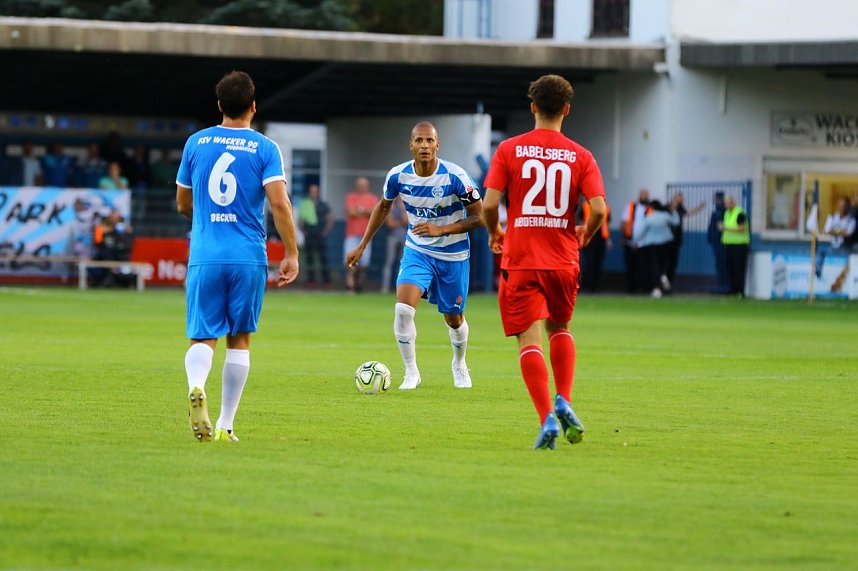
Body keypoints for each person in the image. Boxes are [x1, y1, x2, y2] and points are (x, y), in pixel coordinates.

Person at [482, 74, 606, 450]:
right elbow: (599, 208)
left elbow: (489, 204)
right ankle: (564, 398)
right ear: (566, 110)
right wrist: (586, 231)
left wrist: (494, 231)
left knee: (527, 338)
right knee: (560, 327)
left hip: (521, 258)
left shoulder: (509, 149)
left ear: (533, 107)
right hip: (563, 258)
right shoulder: (581, 155)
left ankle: (545, 420)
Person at [176, 70, 299, 443]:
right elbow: (279, 202)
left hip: (206, 254)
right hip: (248, 255)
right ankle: (227, 424)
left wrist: (211, 222)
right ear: (253, 106)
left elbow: (183, 203)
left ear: (219, 106)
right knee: (240, 339)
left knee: (203, 337)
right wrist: (290, 252)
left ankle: (197, 385)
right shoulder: (265, 147)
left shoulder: (196, 143)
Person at [346, 121, 482, 390]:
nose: (424, 146)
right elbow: (382, 208)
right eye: (419, 141)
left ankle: (459, 364)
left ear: (437, 145)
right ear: (411, 145)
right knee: (403, 309)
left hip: (453, 254)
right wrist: (362, 245)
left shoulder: (456, 176)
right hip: (418, 251)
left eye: (429, 141)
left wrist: (441, 228)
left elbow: (480, 217)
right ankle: (411, 373)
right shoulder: (398, 176)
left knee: (454, 319)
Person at [343, 176, 378, 293]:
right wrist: (365, 211)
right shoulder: (350, 197)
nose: (361, 187)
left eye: (364, 185)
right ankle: (350, 285)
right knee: (350, 259)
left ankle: (360, 284)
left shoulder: (372, 198)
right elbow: (351, 212)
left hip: (366, 236)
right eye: (360, 185)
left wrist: (360, 210)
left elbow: (374, 212)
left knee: (364, 262)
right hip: (352, 233)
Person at [638, 199, 679, 298]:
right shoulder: (665, 216)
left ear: (652, 208)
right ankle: (664, 274)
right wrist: (674, 211)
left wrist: (638, 241)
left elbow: (641, 231)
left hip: (651, 244)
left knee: (654, 265)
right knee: (665, 262)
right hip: (665, 243)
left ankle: (656, 288)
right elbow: (676, 222)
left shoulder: (648, 218)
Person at [298, 183, 333, 286]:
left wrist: (325, 231)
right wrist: (304, 231)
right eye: (311, 191)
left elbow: (330, 219)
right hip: (309, 233)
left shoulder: (323, 205)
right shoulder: (305, 204)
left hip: (320, 233)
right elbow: (300, 221)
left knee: (323, 257)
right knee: (309, 257)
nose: (313, 193)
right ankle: (311, 279)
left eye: (315, 191)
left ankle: (326, 279)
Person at [666, 192, 704, 286]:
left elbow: (689, 211)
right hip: (666, 241)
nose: (682, 200)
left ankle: (669, 283)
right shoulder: (667, 208)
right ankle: (663, 283)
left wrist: (699, 208)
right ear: (674, 198)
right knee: (666, 263)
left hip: (677, 241)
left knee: (673, 263)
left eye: (682, 198)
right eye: (680, 198)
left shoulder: (680, 209)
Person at [719, 195, 749, 297]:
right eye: (725, 203)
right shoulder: (727, 213)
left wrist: (726, 228)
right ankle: (733, 289)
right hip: (729, 245)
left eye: (727, 203)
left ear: (733, 203)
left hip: (739, 246)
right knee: (730, 268)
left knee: (739, 269)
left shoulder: (740, 213)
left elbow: (742, 228)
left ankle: (740, 291)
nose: (726, 205)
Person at [621, 188, 649, 293]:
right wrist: (624, 237)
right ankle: (631, 288)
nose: (645, 197)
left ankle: (641, 287)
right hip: (629, 242)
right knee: (630, 266)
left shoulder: (650, 208)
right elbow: (623, 222)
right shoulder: (631, 206)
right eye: (643, 195)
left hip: (644, 244)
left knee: (642, 267)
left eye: (646, 195)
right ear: (639, 196)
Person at [580, 199, 611, 293]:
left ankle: (594, 286)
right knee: (590, 262)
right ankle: (587, 286)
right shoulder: (585, 205)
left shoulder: (606, 207)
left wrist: (608, 239)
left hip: (601, 237)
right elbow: (580, 220)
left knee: (598, 263)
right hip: (589, 237)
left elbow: (607, 223)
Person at [380, 195, 408, 293]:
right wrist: (400, 223)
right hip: (392, 237)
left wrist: (402, 208)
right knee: (389, 262)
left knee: (402, 264)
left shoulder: (406, 207)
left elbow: (406, 222)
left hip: (405, 238)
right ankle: (385, 288)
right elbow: (390, 223)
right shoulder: (391, 206)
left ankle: (399, 288)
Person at [707, 191, 728, 293]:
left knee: (723, 264)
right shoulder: (715, 212)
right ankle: (721, 284)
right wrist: (710, 239)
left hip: (723, 242)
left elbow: (719, 228)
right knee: (719, 264)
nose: (716, 201)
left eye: (717, 199)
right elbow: (711, 227)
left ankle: (724, 285)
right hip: (716, 242)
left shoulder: (723, 212)